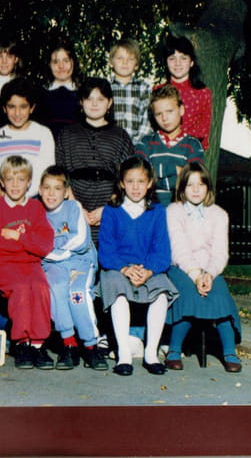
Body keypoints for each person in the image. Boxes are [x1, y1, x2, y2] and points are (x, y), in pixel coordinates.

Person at [97, 156, 178, 376]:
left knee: (161, 293)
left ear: (150, 183)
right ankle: (123, 354)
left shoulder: (157, 211)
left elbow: (162, 251)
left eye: (141, 181)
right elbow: (106, 251)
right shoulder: (112, 210)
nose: (135, 187)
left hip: (148, 268)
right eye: (130, 181)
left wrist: (149, 271)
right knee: (117, 291)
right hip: (118, 268)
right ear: (121, 183)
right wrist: (124, 268)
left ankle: (151, 353)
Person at [165, 162, 242, 373]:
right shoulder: (174, 211)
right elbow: (179, 249)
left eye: (201, 184)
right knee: (189, 295)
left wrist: (208, 274)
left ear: (208, 187)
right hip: (181, 268)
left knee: (220, 294)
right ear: (182, 188)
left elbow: (220, 252)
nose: (196, 190)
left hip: (209, 269)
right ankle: (174, 349)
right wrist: (196, 275)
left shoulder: (219, 214)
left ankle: (229, 352)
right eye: (190, 185)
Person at [0, 155, 55, 369]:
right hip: (2, 265)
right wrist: (29, 246)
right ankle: (22, 343)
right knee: (22, 288)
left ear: (29, 182)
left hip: (31, 265)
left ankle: (38, 344)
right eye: (10, 179)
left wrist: (18, 237)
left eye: (21, 179)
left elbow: (45, 245)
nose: (15, 185)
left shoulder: (35, 208)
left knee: (40, 287)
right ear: (2, 182)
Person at [38, 166, 107, 371]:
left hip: (80, 261)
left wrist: (56, 252)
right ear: (40, 190)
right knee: (56, 288)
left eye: (57, 188)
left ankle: (91, 345)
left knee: (77, 293)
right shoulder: (37, 212)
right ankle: (69, 344)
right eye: (47, 188)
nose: (51, 193)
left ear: (66, 191)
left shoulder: (74, 207)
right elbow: (38, 245)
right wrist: (52, 255)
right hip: (53, 264)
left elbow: (81, 240)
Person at [55, 77, 134, 243]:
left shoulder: (120, 136)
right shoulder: (67, 134)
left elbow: (128, 178)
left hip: (110, 208)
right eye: (89, 98)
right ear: (81, 102)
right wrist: (76, 207)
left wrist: (108, 208)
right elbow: (60, 175)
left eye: (100, 99)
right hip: (72, 207)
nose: (94, 104)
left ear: (109, 103)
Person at [0, 78, 55, 200]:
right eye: (11, 107)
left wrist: (21, 195)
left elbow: (47, 174)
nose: (17, 113)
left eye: (23, 107)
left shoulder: (43, 134)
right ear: (4, 108)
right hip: (3, 198)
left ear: (32, 108)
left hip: (35, 198)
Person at [135, 83, 204, 206]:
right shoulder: (145, 143)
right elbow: (139, 178)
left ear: (181, 110)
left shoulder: (193, 146)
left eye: (169, 111)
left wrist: (155, 176)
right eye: (158, 114)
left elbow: (193, 182)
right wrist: (174, 170)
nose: (164, 118)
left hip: (182, 212)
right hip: (149, 211)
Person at [158, 35, 212, 150]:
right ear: (166, 62)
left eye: (183, 58)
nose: (177, 63)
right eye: (172, 58)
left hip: (190, 152)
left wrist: (178, 143)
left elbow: (203, 131)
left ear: (192, 62)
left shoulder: (203, 93)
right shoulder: (157, 91)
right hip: (160, 151)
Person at [107, 38, 154, 144]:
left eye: (130, 59)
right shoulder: (106, 89)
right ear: (111, 62)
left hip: (136, 146)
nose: (125, 62)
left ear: (136, 65)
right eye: (120, 58)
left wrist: (136, 144)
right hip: (110, 145)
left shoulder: (143, 88)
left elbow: (147, 121)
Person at [37, 40, 81, 137]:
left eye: (65, 60)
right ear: (49, 64)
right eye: (55, 62)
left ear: (73, 62)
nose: (61, 66)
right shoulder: (39, 95)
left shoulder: (84, 93)